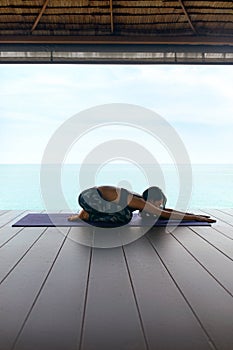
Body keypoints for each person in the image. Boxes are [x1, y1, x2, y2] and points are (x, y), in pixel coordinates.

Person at [68, 185, 216, 225]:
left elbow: (164, 211)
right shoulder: (138, 201)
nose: (160, 206)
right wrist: (196, 218)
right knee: (125, 217)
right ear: (154, 200)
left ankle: (86, 213)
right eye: (159, 204)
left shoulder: (138, 201)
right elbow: (165, 214)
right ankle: (86, 215)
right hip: (88, 197)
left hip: (92, 198)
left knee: (125, 213)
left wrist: (191, 214)